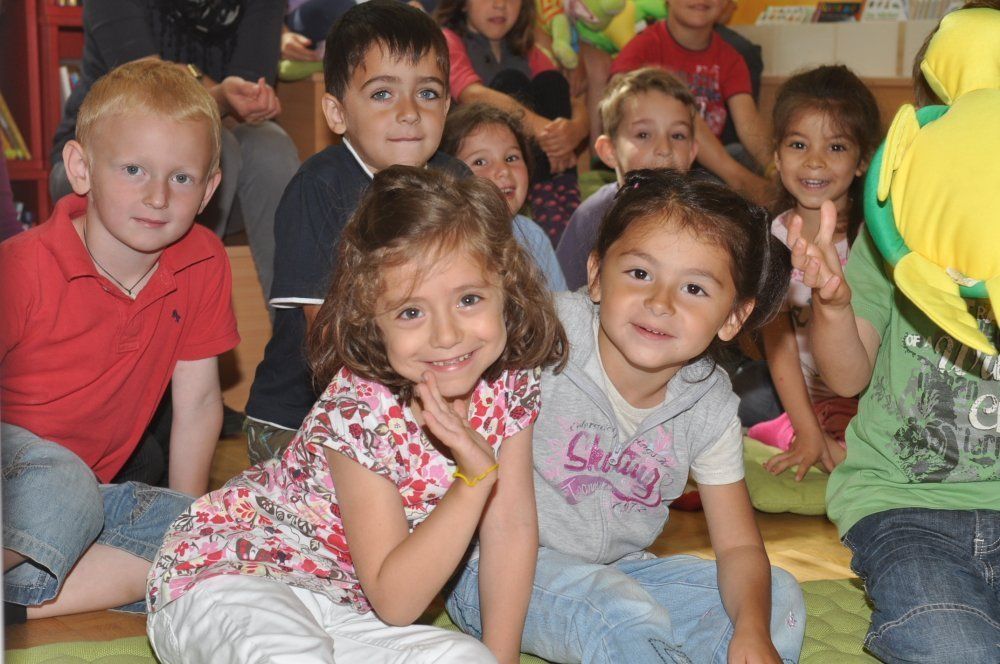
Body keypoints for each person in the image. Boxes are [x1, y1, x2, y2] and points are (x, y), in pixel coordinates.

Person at [146, 166, 567, 664]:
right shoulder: (359, 409)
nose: (447, 335)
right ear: (371, 318)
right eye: (411, 312)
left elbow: (510, 526)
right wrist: (473, 480)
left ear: (507, 288)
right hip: (233, 573)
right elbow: (398, 601)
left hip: (347, 608)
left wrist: (502, 657)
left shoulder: (510, 381)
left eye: (469, 299)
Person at [446, 169, 806, 663]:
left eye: (694, 288)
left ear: (733, 318)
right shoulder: (540, 337)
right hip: (494, 569)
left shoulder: (709, 404)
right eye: (640, 274)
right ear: (597, 275)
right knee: (619, 611)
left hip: (620, 571)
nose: (660, 303)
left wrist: (751, 631)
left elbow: (739, 547)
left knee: (776, 597)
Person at [1, 60, 239, 622]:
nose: (158, 196)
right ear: (81, 169)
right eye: (134, 169)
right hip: (28, 481)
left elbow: (199, 402)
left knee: (221, 535)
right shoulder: (22, 268)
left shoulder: (203, 261)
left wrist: (188, 522)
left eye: (181, 178)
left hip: (83, 501)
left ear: (208, 189)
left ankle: (15, 606)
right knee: (63, 484)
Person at [243, 0, 470, 464]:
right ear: (337, 112)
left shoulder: (459, 183)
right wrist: (406, 414)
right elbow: (326, 338)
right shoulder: (319, 188)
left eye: (427, 93)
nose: (409, 112)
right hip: (302, 417)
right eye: (383, 93)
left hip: (426, 395)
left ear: (447, 106)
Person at [49, 0, 300, 303]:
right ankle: (178, 303)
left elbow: (248, 95)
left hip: (208, 168)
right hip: (104, 167)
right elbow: (145, 95)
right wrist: (219, 97)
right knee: (220, 150)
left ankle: (294, 321)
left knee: (272, 146)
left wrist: (230, 98)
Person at [747, 65, 882, 481]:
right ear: (776, 155)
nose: (815, 161)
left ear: (862, 161)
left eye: (836, 147)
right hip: (798, 397)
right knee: (742, 402)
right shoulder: (772, 238)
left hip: (868, 395)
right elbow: (779, 346)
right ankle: (805, 434)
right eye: (798, 144)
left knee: (873, 449)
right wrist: (808, 431)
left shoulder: (875, 240)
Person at [435, 0, 588, 242]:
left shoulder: (526, 48)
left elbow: (571, 101)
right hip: (475, 152)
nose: (500, 5)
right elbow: (471, 94)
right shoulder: (448, 40)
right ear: (463, 4)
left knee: (552, 82)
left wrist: (574, 131)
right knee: (511, 81)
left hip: (532, 155)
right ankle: (544, 200)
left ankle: (565, 193)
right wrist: (546, 130)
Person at [556, 67, 698, 291]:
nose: (664, 148)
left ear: (692, 152)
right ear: (609, 151)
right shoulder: (593, 217)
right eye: (643, 134)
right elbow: (560, 295)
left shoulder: (703, 219)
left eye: (677, 135)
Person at [610, 0, 771, 175]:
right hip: (656, 163)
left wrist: (775, 168)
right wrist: (742, 179)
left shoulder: (732, 58)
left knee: (741, 153)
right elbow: (613, 112)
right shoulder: (641, 50)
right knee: (684, 114)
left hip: (708, 166)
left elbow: (749, 124)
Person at [440, 102, 567, 291]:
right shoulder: (446, 245)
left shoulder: (533, 236)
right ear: (448, 175)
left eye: (511, 158)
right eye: (480, 162)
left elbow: (560, 304)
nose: (503, 170)